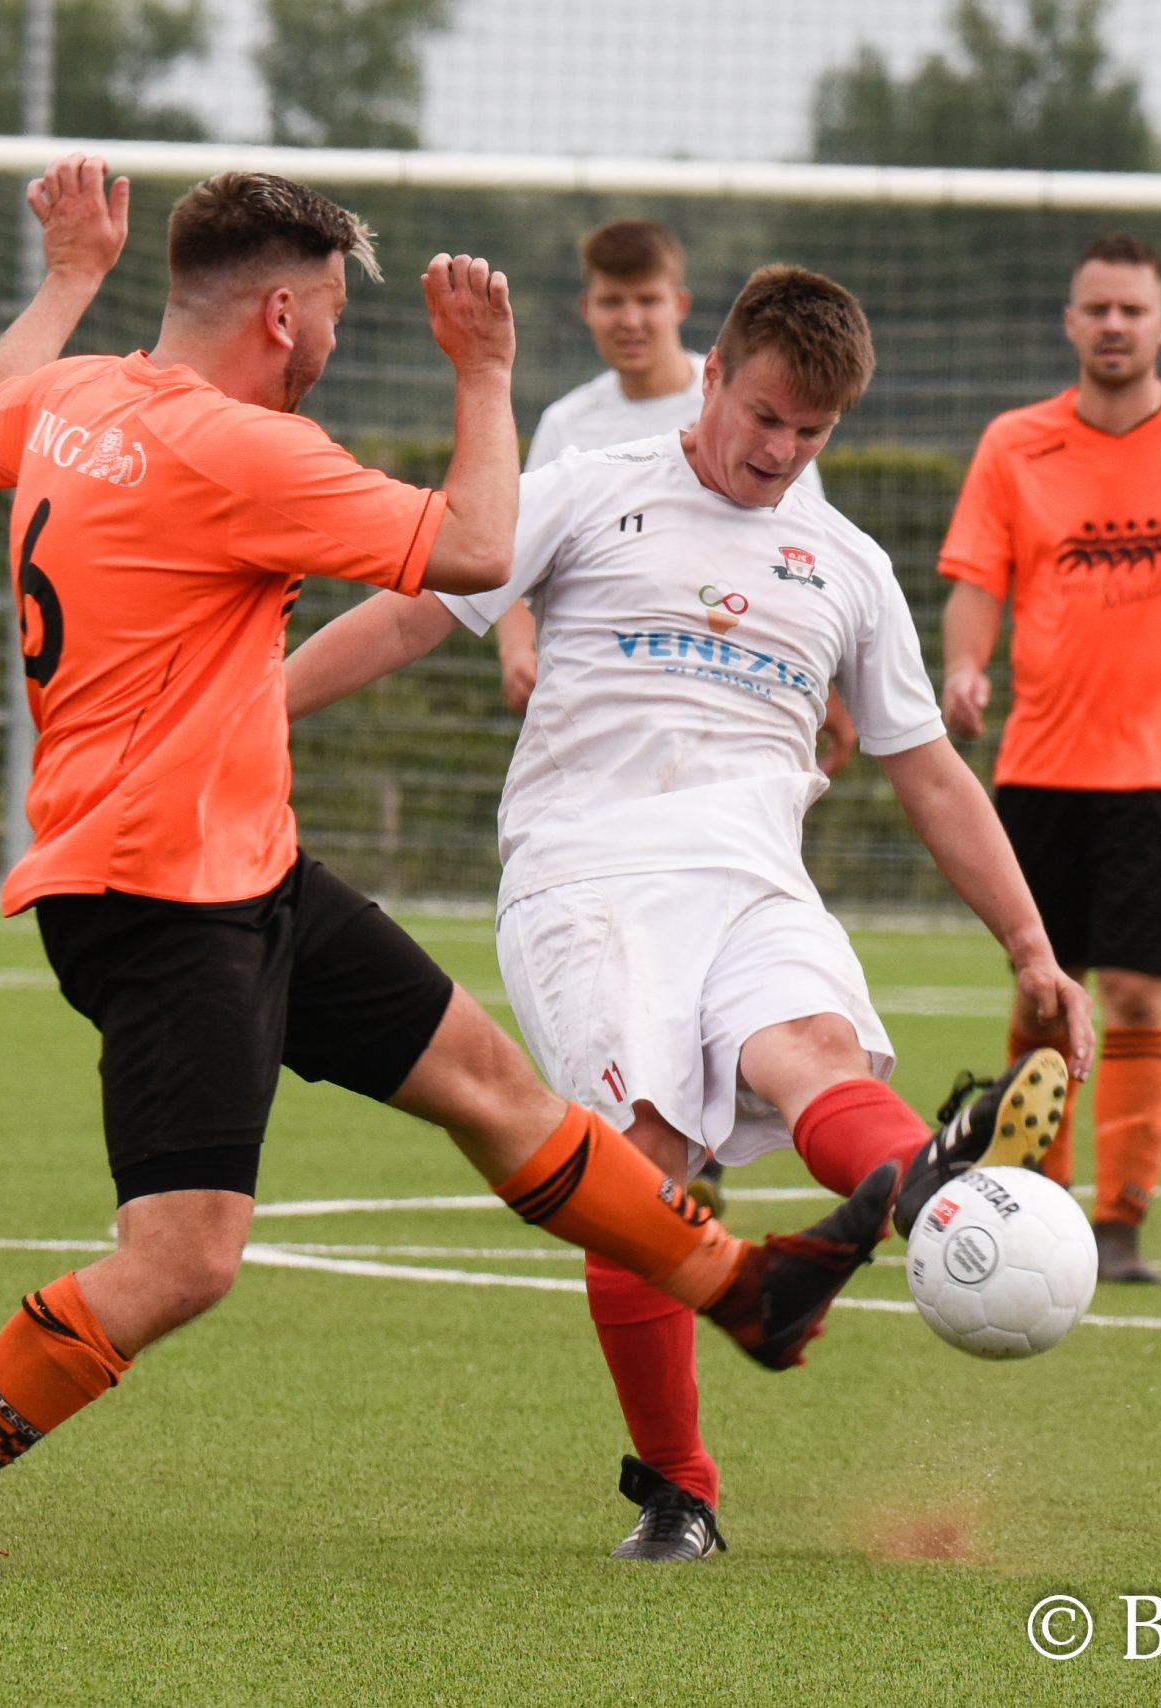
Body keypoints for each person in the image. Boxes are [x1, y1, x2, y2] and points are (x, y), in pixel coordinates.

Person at [0, 159, 901, 1579]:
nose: (333, 337)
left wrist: (72, 276)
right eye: (332, 310)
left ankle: (744, 1291)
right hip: (161, 894)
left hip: (241, 866)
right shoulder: (238, 451)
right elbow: (475, 548)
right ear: (282, 312)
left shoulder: (79, 403)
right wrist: (485, 370)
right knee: (186, 1256)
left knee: (492, 1088)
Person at [288, 264, 1094, 1562]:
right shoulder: (583, 488)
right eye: (763, 416)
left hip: (754, 879)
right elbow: (404, 622)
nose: (779, 451)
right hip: (586, 878)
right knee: (642, 1163)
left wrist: (1032, 946)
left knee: (815, 1052)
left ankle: (927, 1189)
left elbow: (930, 770)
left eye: (810, 434)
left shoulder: (845, 563)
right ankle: (680, 1488)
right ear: (711, 375)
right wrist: (245, 715)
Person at [935, 232, 1161, 1286]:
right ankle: (1035, 1202)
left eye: (1131, 310)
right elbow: (977, 578)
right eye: (1095, 308)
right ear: (1069, 322)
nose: (1112, 325)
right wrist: (964, 668)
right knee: (1046, 993)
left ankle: (1120, 1221)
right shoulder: (1015, 443)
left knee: (1138, 994)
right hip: (1041, 762)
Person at [500, 217, 852, 1217]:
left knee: (731, 914)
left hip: (729, 729)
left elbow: (803, 561)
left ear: (681, 311)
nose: (629, 318)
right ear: (586, 309)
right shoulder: (571, 426)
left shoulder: (766, 402)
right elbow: (506, 549)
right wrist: (518, 642)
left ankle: (713, 1122)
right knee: (628, 943)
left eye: (646, 300)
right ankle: (672, 1142)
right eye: (611, 302)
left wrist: (829, 688)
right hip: (610, 730)